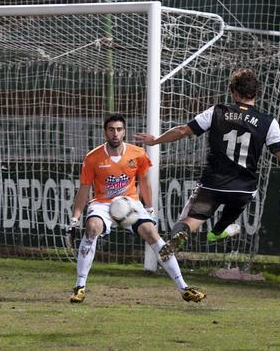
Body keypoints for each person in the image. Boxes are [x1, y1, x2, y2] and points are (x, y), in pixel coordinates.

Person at [134, 68, 280, 260]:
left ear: (233, 92)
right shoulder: (267, 122)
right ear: (256, 93)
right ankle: (219, 230)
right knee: (235, 206)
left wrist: (155, 141)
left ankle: (181, 234)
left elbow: (182, 131)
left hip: (212, 186)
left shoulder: (217, 112)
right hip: (242, 190)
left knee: (190, 221)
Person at [67, 113, 205, 303]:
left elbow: (145, 183)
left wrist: (149, 210)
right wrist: (75, 220)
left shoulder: (138, 154)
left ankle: (184, 288)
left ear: (124, 132)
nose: (115, 134)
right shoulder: (92, 158)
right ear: (104, 132)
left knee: (151, 233)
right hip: (102, 204)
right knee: (92, 228)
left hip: (130, 203)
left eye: (119, 129)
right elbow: (83, 191)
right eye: (111, 130)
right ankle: (80, 286)